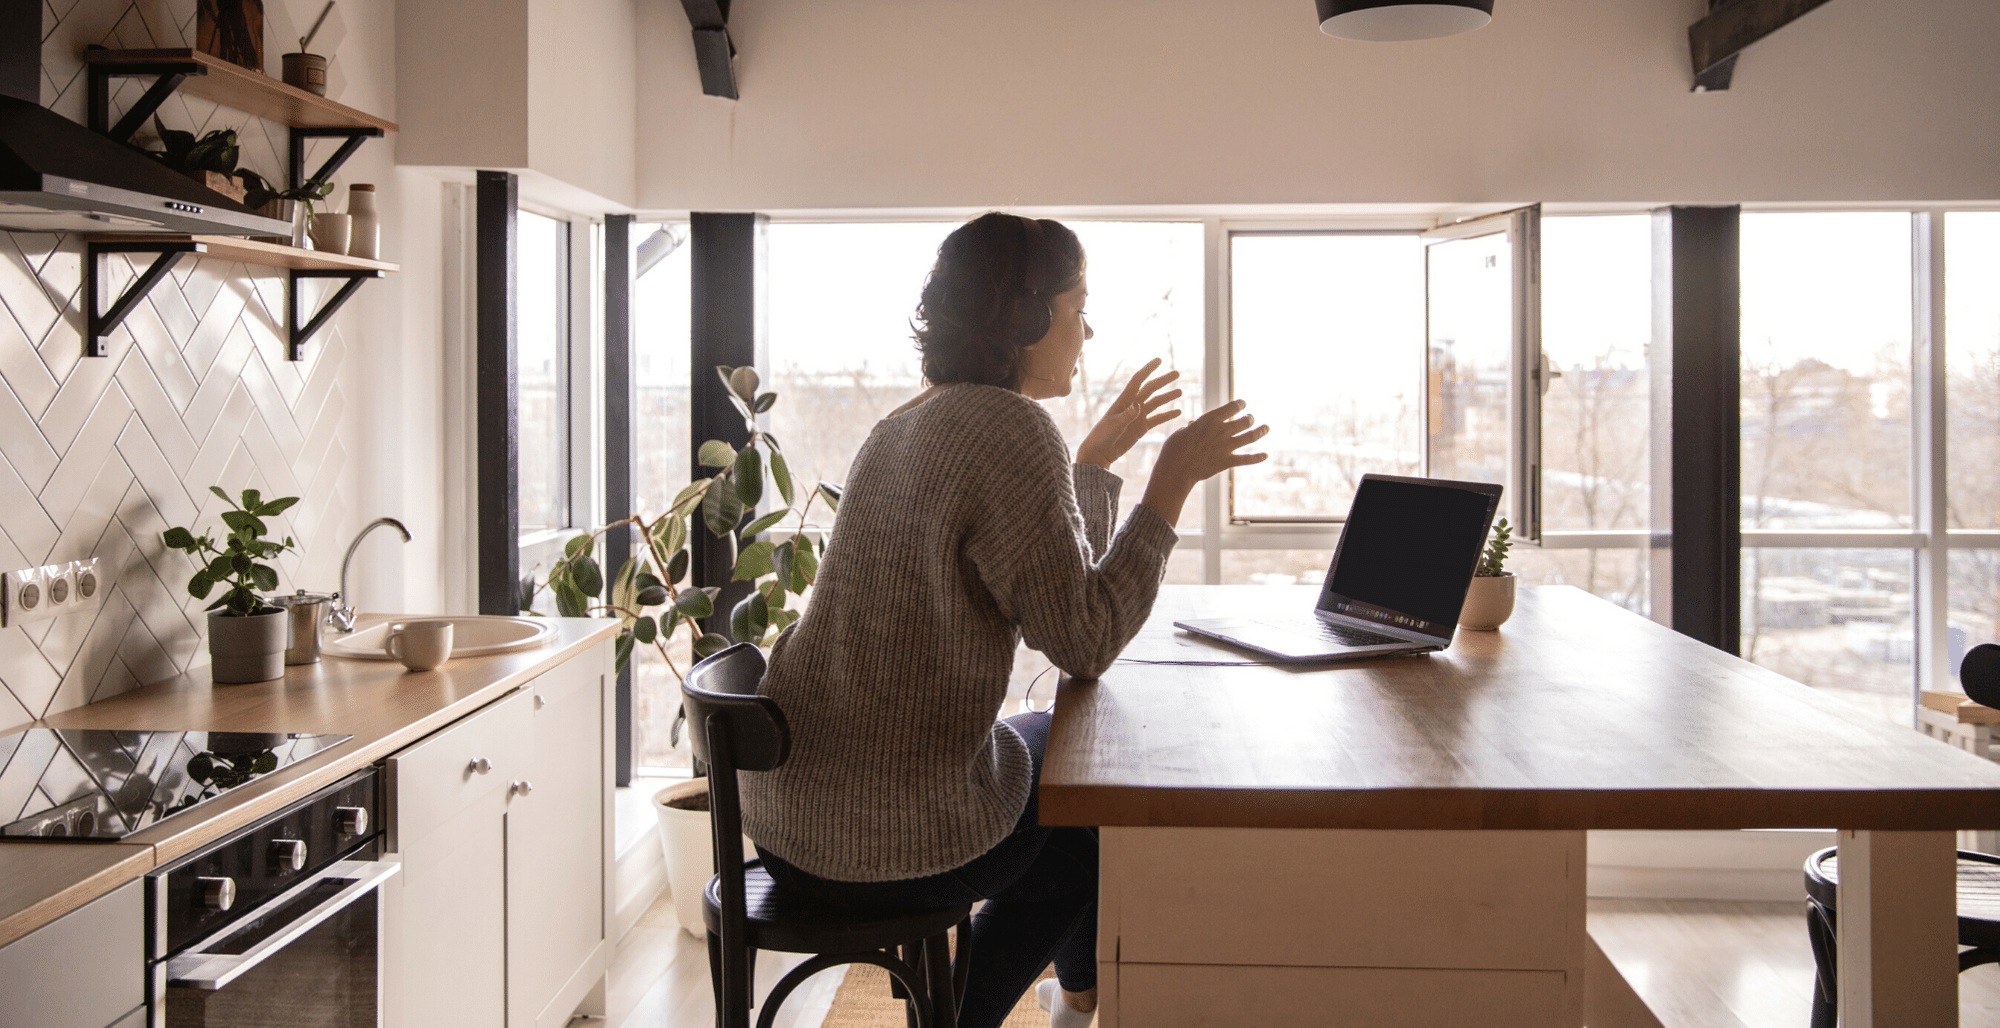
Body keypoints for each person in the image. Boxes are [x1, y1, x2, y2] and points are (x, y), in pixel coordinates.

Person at [739, 212, 1266, 1028]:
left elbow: (1049, 588)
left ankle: (1071, 1002)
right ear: (1023, 316)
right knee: (1090, 801)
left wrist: (1089, 468)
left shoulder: (905, 423)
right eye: (1077, 303)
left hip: (788, 821)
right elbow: (1086, 640)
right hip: (886, 837)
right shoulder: (1011, 428)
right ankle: (969, 1018)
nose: (1086, 329)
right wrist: (1169, 485)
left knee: (1058, 748)